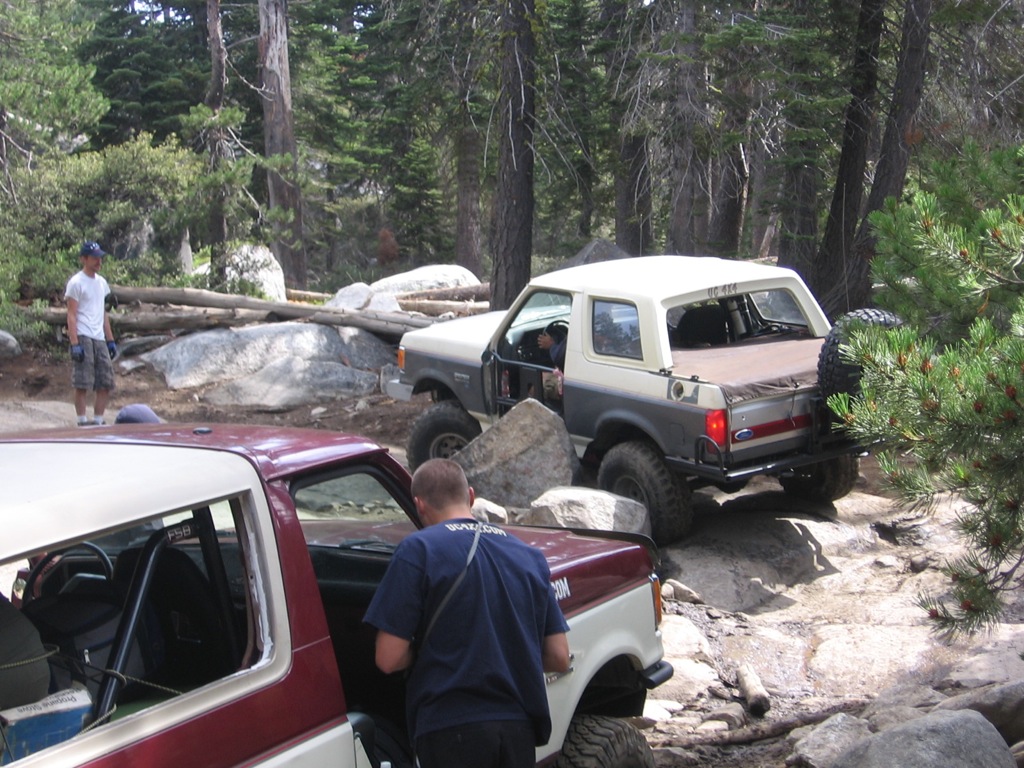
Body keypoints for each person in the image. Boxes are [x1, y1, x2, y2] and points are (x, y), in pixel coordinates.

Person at [364, 459, 570, 768]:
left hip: (449, 727)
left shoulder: (418, 550)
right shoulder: (529, 557)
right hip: (517, 728)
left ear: (419, 504)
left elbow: (388, 657)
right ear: (471, 496)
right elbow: (559, 656)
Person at [65, 241, 117, 426]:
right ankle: (82, 420)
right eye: (94, 258)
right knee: (83, 382)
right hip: (83, 335)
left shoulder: (102, 283)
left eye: (100, 258)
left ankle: (98, 420)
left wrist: (110, 340)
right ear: (84, 259)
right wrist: (75, 343)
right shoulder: (76, 282)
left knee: (105, 381)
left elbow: (103, 313)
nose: (98, 261)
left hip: (99, 337)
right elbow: (71, 314)